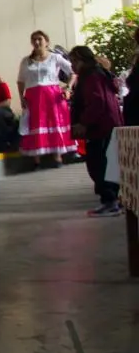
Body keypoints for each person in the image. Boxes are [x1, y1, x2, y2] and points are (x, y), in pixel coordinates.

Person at [68, 45, 123, 217]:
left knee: (98, 165)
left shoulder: (90, 76)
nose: (71, 66)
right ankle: (113, 201)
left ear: (81, 60)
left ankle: (110, 202)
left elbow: (97, 102)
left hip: (100, 128)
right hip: (109, 125)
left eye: (73, 61)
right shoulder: (100, 73)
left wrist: (84, 123)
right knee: (107, 164)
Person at [17, 31, 76, 167]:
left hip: (52, 96)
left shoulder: (55, 58)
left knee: (54, 122)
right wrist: (21, 97)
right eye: (34, 40)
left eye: (40, 39)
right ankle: (36, 160)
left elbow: (73, 72)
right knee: (35, 124)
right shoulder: (26, 61)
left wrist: (68, 87)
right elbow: (20, 81)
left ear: (46, 42)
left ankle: (57, 157)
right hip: (33, 97)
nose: (37, 42)